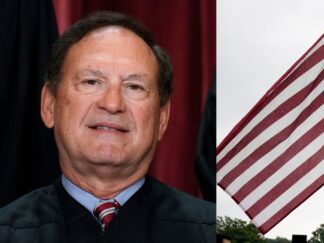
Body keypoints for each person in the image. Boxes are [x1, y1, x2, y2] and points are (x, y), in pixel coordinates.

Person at [0, 11, 215, 242]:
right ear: (49, 105)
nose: (112, 104)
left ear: (162, 118)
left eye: (134, 87)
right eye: (91, 82)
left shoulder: (210, 232)